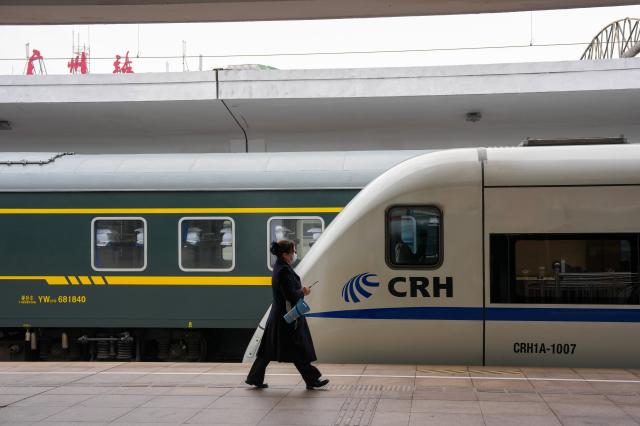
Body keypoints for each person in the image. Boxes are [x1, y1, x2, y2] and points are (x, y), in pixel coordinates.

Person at [245, 240, 329, 390]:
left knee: (268, 350)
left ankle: (254, 378)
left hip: (278, 316)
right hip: (287, 317)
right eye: (292, 252)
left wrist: (300, 290)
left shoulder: (281, 267)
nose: (294, 255)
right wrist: (303, 292)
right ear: (284, 254)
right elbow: (290, 295)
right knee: (298, 349)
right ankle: (312, 379)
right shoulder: (283, 270)